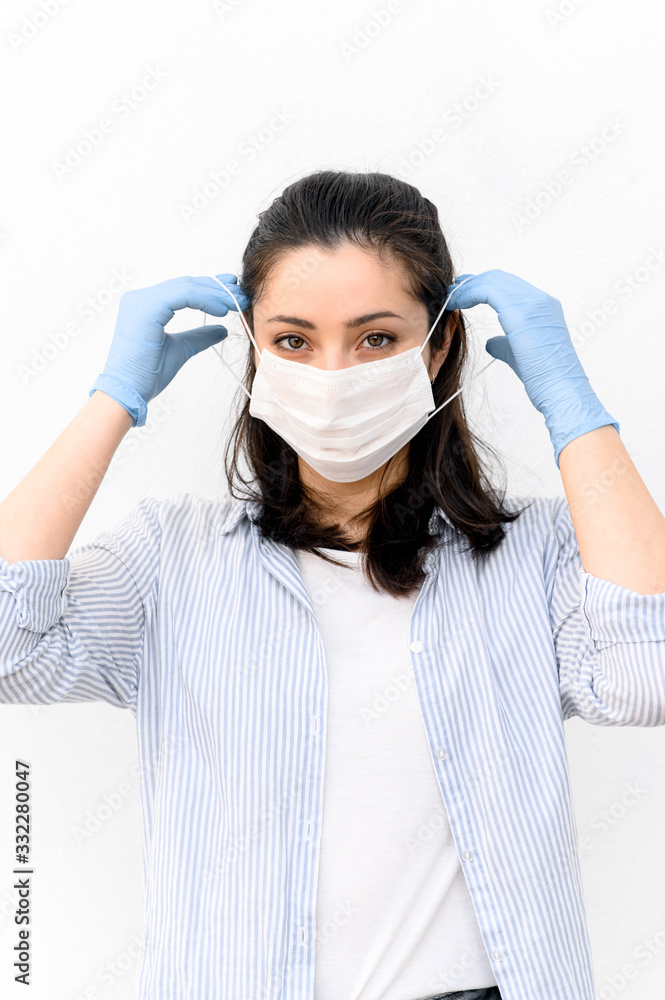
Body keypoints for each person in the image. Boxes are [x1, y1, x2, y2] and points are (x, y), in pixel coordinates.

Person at [1, 169, 664, 1000]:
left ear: (439, 347)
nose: (333, 374)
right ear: (255, 350)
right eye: (293, 341)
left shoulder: (533, 554)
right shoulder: (169, 559)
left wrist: (571, 405)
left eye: (376, 338)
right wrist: (114, 399)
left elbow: (646, 677)